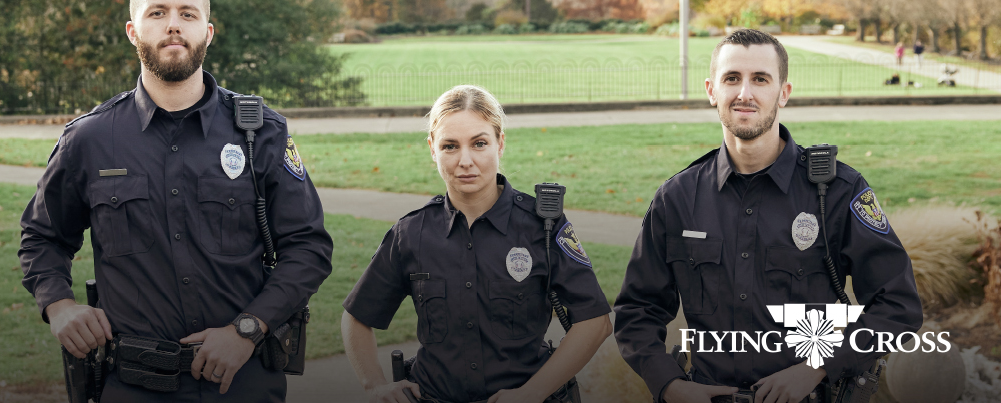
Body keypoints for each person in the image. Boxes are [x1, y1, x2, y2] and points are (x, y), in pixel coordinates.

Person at [18, 0, 334, 401]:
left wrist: (247, 330)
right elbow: (42, 236)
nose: (173, 26)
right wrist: (58, 304)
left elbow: (308, 247)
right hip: (132, 385)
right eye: (157, 13)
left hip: (242, 383)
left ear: (208, 32)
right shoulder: (89, 140)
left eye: (188, 14)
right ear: (133, 32)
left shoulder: (262, 133)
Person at [612, 29, 923, 403]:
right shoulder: (677, 198)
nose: (745, 93)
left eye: (760, 79)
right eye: (732, 79)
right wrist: (670, 384)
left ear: (784, 93)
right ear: (712, 90)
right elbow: (636, 311)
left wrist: (818, 367)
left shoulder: (839, 191)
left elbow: (899, 305)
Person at [340, 85, 612, 403]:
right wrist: (374, 385)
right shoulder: (412, 232)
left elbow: (595, 321)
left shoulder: (543, 227)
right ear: (432, 148)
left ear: (500, 143)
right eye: (450, 146)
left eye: (479, 143)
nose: (465, 161)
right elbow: (357, 316)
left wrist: (532, 393)